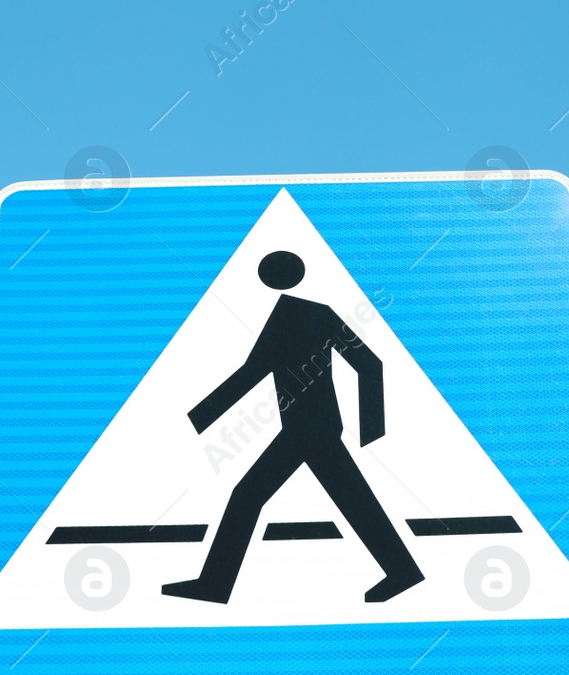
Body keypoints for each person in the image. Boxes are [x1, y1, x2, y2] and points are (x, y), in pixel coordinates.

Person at [162, 250, 426, 604]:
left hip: (307, 431)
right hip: (314, 428)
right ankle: (403, 571)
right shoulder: (319, 313)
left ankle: (214, 584)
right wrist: (370, 428)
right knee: (351, 500)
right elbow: (369, 364)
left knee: (249, 496)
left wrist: (200, 419)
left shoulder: (286, 316)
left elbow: (251, 374)